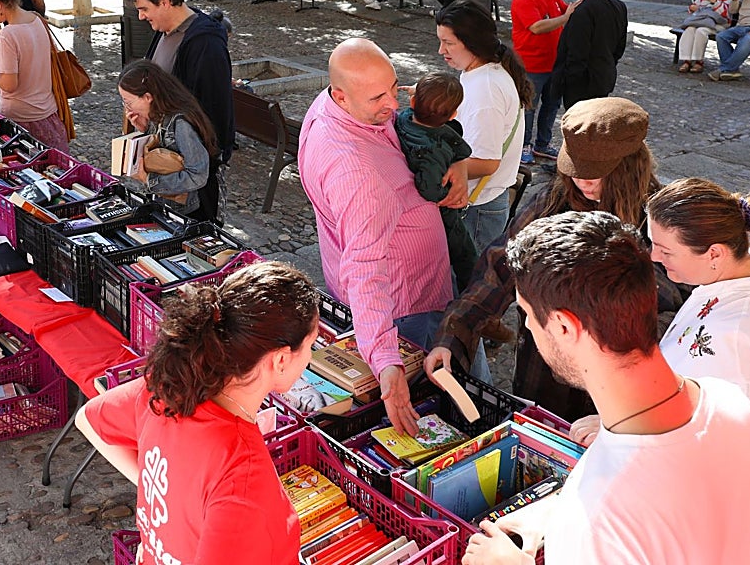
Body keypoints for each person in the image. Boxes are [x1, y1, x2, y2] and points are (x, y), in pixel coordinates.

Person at [460, 210, 750, 565]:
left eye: (527, 314)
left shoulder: (597, 523)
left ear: (563, 326)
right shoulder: (727, 397)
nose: (527, 326)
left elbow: (623, 518)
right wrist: (557, 510)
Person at [425, 97, 669, 420]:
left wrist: (631, 406)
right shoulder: (552, 201)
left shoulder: (660, 222)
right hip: (543, 378)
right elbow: (499, 269)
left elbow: (672, 320)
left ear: (629, 166)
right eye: (576, 169)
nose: (583, 182)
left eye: (596, 173)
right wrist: (453, 335)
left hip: (618, 395)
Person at [76, 260, 321, 565]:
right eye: (312, 344)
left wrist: (160, 500)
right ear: (281, 359)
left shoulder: (171, 388)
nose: (311, 357)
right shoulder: (243, 477)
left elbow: (89, 419)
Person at [299, 38, 467, 434]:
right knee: (450, 398)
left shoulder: (334, 105)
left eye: (394, 87)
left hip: (414, 289)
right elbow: (365, 270)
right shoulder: (358, 175)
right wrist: (387, 362)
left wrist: (457, 160)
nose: (394, 105)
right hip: (407, 306)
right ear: (340, 96)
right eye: (379, 97)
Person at [567, 177, 750, 449]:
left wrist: (618, 428)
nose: (654, 257)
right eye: (653, 244)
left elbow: (710, 429)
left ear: (714, 254)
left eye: (666, 251)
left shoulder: (731, 334)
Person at [131, 0, 233, 222]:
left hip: (193, 170)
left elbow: (211, 109)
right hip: (171, 160)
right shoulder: (165, 32)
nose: (141, 17)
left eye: (144, 9)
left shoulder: (205, 43)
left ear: (164, 2)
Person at [435, 3, 532, 258]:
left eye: (448, 43)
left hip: (479, 207)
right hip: (483, 202)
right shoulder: (480, 71)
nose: (441, 51)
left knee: (468, 286)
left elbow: (487, 163)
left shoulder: (485, 87)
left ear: (472, 42)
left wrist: (439, 169)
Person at [395, 73, 477, 290]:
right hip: (444, 215)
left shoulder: (403, 119)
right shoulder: (435, 149)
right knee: (466, 256)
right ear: (453, 115)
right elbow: (429, 188)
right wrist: (445, 197)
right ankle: (469, 294)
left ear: (413, 102)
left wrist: (418, 94)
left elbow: (417, 107)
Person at [0, 0, 70, 151]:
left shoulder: (8, 35)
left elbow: (9, 84)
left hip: (21, 120)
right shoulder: (37, 19)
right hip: (48, 114)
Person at [117, 60, 217, 216]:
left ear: (147, 97)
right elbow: (162, 151)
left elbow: (198, 175)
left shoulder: (181, 124)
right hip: (164, 204)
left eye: (128, 101)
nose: (126, 107)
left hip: (184, 212)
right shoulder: (158, 114)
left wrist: (149, 180)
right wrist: (144, 129)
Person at [510, 0, 575, 164]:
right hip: (531, 65)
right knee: (528, 107)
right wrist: (564, 19)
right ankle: (523, 144)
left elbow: (568, 10)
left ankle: (543, 144)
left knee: (551, 105)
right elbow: (537, 27)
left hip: (554, 63)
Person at [550, 0, 628, 109]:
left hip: (582, 85)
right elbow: (620, 47)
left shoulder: (582, 12)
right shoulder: (619, 7)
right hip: (603, 76)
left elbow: (576, 53)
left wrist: (568, 83)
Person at [675, 0, 732, 74]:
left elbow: (727, 13)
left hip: (718, 23)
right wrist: (693, 7)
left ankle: (698, 61)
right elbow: (696, 5)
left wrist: (715, 2)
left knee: (701, 31)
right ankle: (687, 60)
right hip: (702, 20)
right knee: (690, 29)